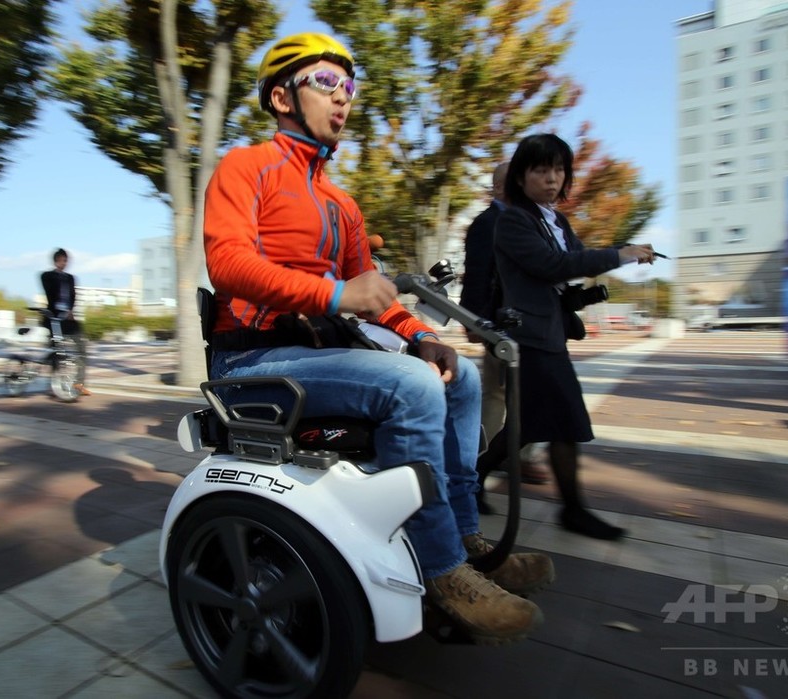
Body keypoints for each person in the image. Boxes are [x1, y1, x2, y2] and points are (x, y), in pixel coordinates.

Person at [203, 32, 554, 644]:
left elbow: (377, 297)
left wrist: (421, 336)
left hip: (317, 352)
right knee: (413, 387)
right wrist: (337, 296)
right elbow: (227, 266)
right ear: (283, 96)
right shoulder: (246, 166)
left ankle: (464, 539)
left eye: (350, 87)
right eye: (326, 83)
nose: (344, 99)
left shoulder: (342, 203)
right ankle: (444, 572)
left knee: (460, 375)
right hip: (252, 358)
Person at [482, 133, 657, 541]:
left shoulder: (555, 220)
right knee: (566, 421)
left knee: (526, 427)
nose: (552, 179)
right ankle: (573, 510)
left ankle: (472, 481)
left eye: (559, 170)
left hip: (551, 332)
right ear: (521, 177)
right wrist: (622, 254)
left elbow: (575, 261)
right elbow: (552, 265)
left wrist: (622, 249)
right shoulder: (512, 219)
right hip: (529, 337)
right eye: (541, 170)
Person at [459, 161, 549, 512]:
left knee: (522, 398)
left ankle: (509, 458)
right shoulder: (487, 224)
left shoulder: (526, 222)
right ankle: (478, 470)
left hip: (530, 325)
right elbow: (476, 275)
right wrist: (473, 320)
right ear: (498, 188)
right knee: (498, 398)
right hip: (503, 325)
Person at [40, 248, 90, 396]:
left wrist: (70, 310)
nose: (65, 263)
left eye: (66, 260)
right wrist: (58, 276)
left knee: (81, 348)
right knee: (56, 352)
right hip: (53, 318)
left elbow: (73, 296)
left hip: (68, 317)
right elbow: (49, 292)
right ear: (56, 261)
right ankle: (54, 385)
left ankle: (79, 384)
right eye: (62, 260)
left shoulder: (70, 278)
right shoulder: (47, 276)